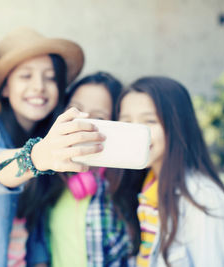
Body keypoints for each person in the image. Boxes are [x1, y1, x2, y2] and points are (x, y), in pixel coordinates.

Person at [0, 27, 105, 267]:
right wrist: (39, 156)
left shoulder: (47, 137)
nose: (40, 86)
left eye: (50, 77)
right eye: (26, 76)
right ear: (5, 88)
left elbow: (35, 229)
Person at [117, 76, 224, 267]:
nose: (135, 132)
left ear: (176, 124)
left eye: (149, 121)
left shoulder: (202, 199)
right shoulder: (145, 184)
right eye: (126, 121)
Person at [21, 71, 138, 267]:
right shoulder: (50, 176)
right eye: (76, 111)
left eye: (98, 117)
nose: (84, 124)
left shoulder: (127, 185)